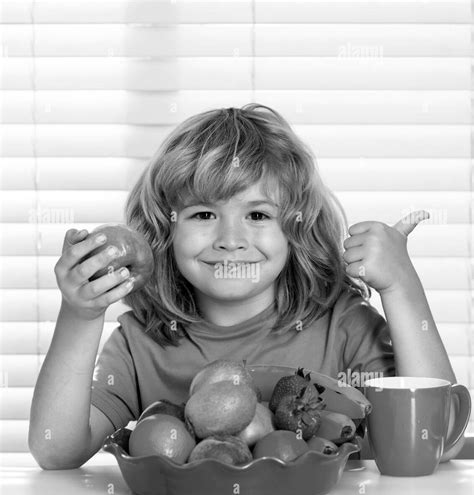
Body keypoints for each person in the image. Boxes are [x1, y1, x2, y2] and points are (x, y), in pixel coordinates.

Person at [28, 104, 460, 469]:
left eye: (257, 215)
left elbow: (438, 439)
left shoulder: (342, 325)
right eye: (202, 215)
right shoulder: (142, 343)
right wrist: (80, 314)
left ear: (296, 230)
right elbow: (55, 449)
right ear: (165, 230)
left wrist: (402, 288)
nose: (230, 239)